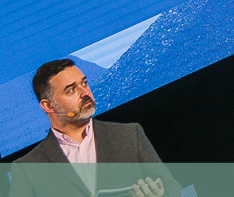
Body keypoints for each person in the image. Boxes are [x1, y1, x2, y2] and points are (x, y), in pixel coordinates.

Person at [11, 59, 180, 197]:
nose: (85, 93)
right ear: (48, 106)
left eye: (84, 83)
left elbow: (172, 188)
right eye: (71, 90)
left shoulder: (129, 135)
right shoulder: (27, 168)